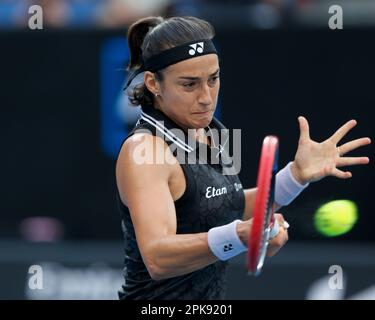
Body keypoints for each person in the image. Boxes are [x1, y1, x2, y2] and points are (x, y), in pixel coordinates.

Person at [115, 16, 371, 299]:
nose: (206, 98)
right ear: (153, 83)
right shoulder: (144, 151)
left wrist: (294, 177)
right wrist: (239, 236)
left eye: (213, 79)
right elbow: (158, 258)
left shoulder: (214, 131)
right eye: (189, 85)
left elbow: (225, 204)